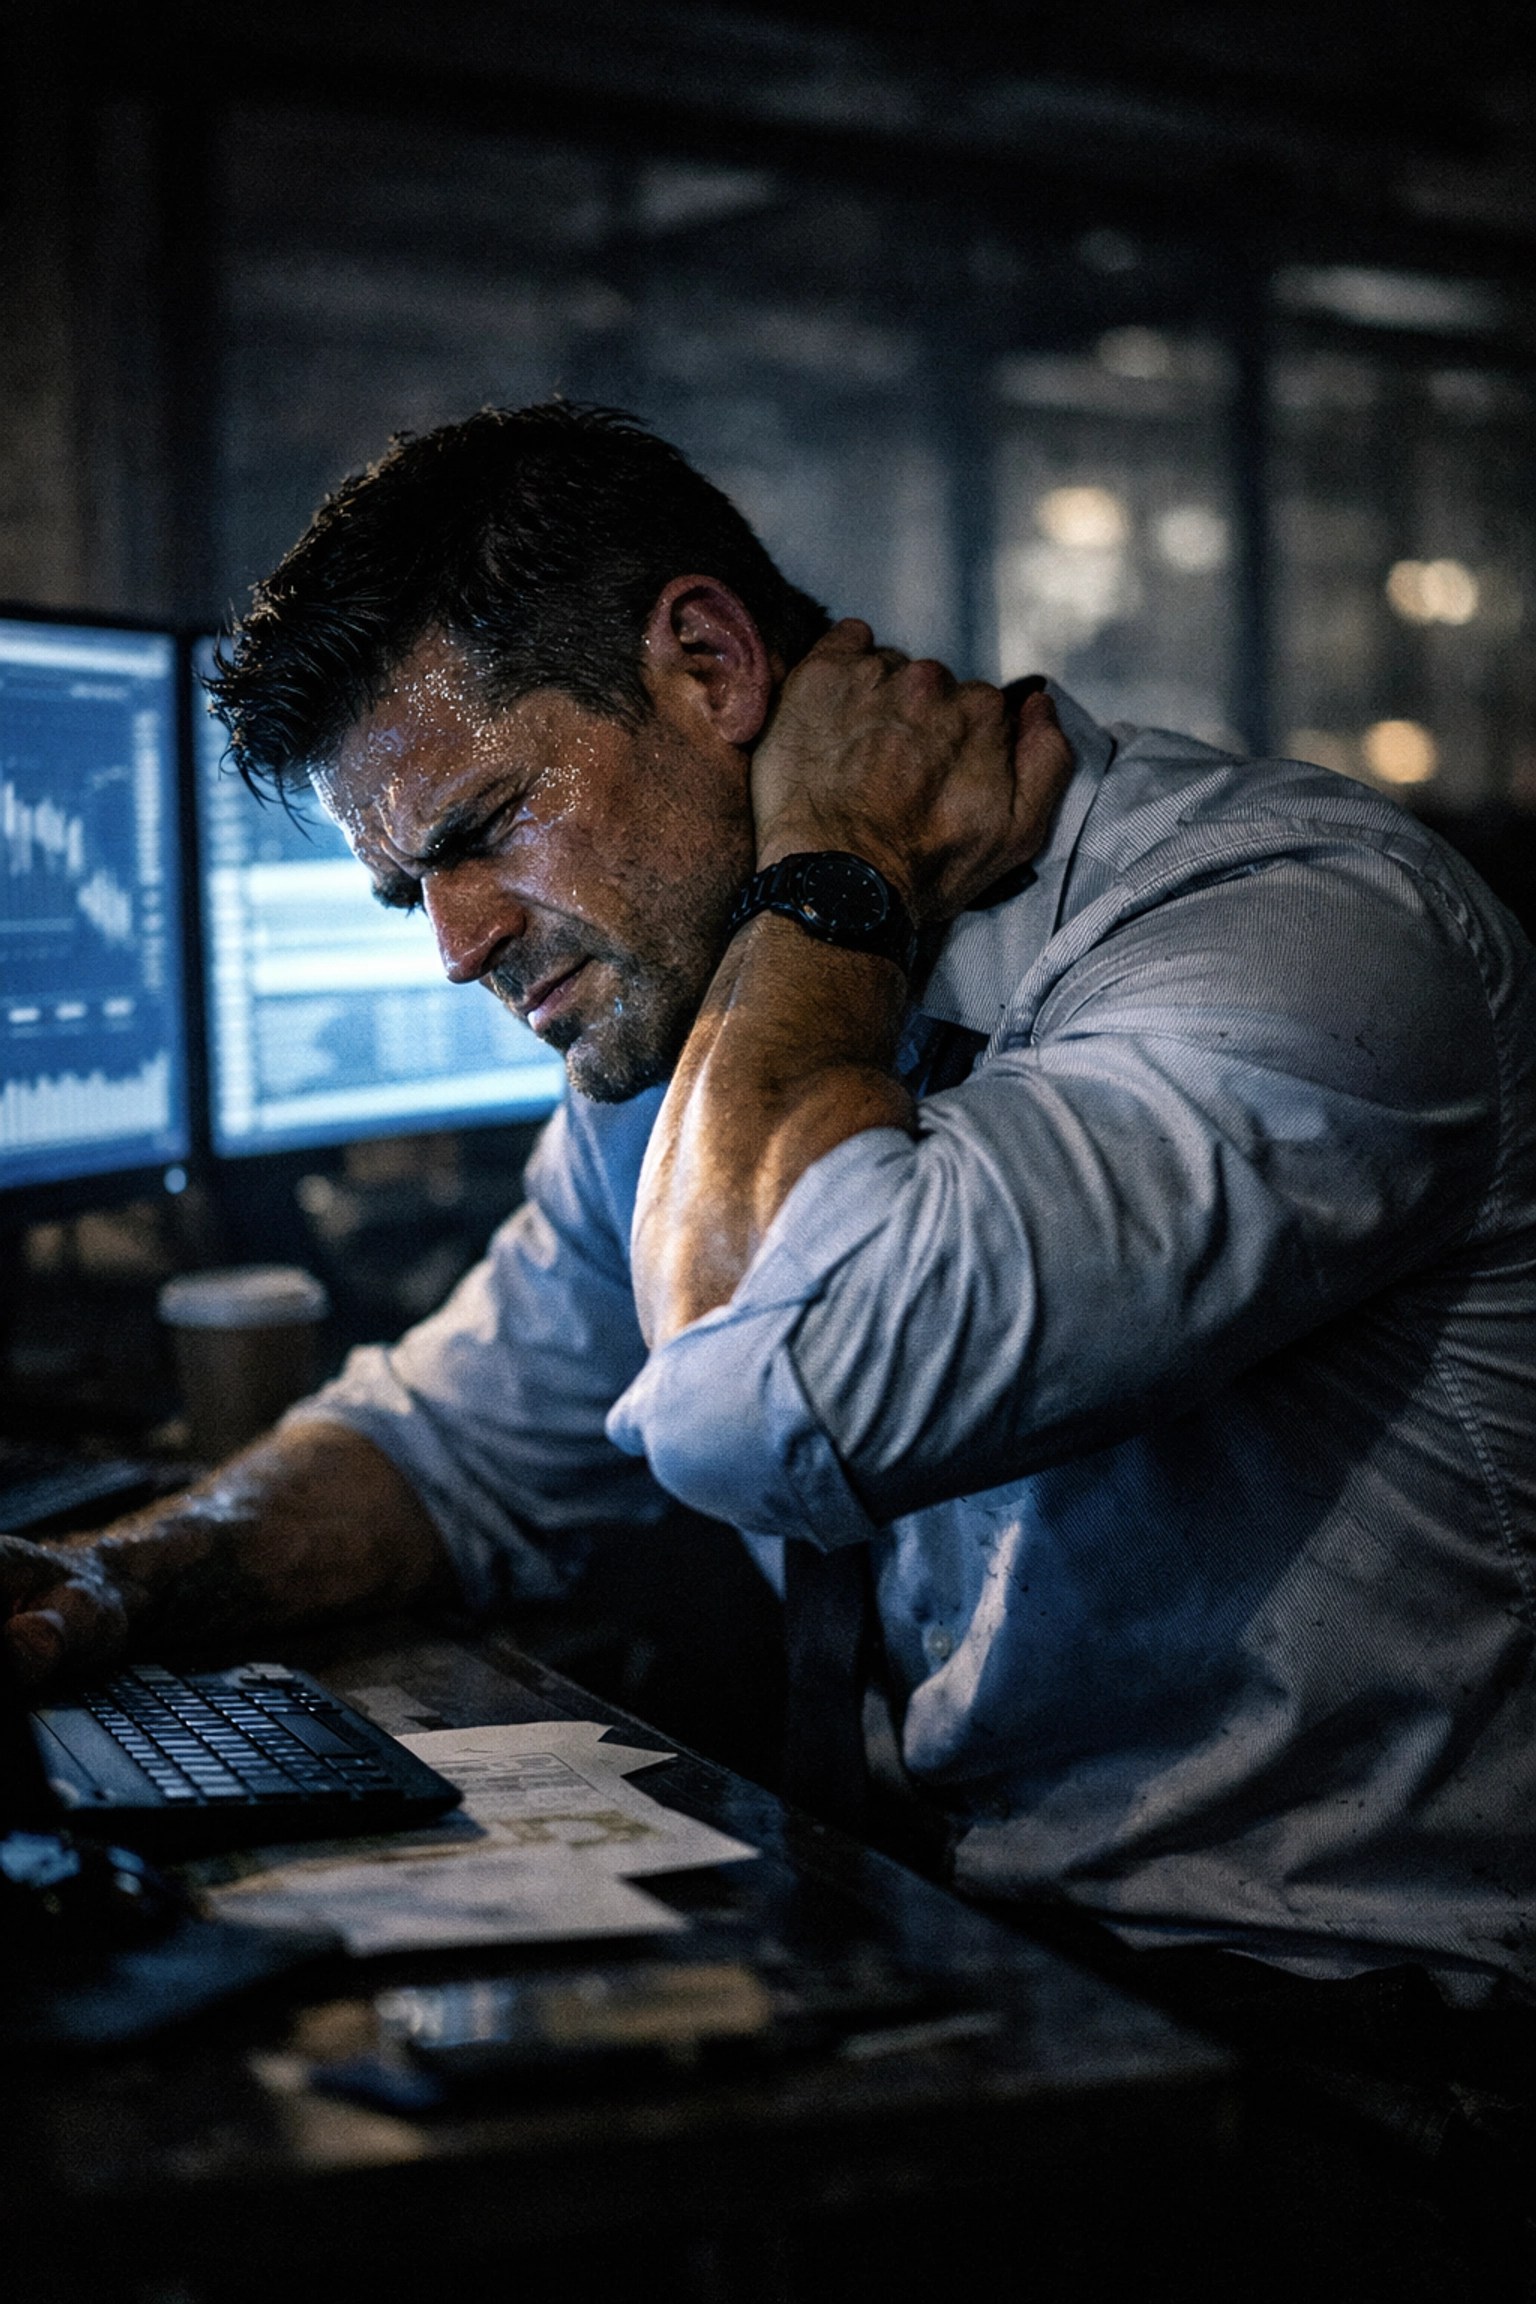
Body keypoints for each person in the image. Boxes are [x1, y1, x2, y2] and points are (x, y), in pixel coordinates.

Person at [3, 402, 1535, 2008]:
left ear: (710, 668)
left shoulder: (1288, 929)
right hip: (992, 1958)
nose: (453, 948)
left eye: (480, 832)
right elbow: (462, 1442)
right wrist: (118, 1581)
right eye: (409, 892)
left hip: (1349, 2045)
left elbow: (785, 1394)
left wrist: (833, 866)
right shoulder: (700, 1022)